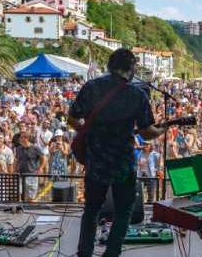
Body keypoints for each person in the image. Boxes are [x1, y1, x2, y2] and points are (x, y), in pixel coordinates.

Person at [68, 48, 167, 257]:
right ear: (131, 68)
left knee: (92, 209)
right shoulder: (136, 94)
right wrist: (162, 129)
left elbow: (72, 118)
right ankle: (112, 252)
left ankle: (84, 252)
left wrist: (88, 132)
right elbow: (147, 132)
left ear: (110, 66)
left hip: (96, 160)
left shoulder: (91, 86)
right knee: (124, 210)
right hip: (123, 162)